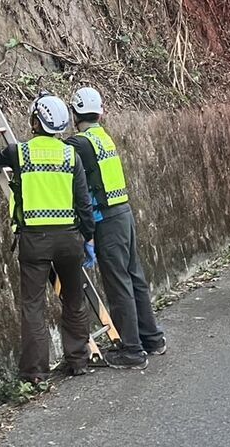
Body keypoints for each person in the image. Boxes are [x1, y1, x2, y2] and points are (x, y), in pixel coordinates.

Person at [0, 92, 96, 383]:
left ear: (36, 121)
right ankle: (78, 359)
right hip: (69, 240)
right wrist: (88, 238)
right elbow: (83, 203)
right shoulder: (71, 155)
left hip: (35, 240)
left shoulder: (21, 152)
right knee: (74, 300)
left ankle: (34, 372)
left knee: (33, 305)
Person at [67, 87, 165, 368]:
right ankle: (152, 339)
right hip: (123, 213)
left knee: (118, 284)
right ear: (100, 111)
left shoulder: (79, 144)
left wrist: (87, 233)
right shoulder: (102, 137)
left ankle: (132, 352)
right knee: (134, 278)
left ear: (75, 113)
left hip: (106, 220)